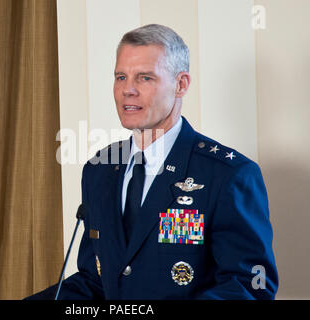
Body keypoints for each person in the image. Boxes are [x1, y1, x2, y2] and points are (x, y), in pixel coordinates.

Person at [27, 24, 278, 300]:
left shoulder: (229, 175)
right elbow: (95, 281)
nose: (128, 90)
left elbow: (250, 286)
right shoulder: (99, 171)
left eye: (145, 78)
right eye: (121, 77)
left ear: (181, 85)